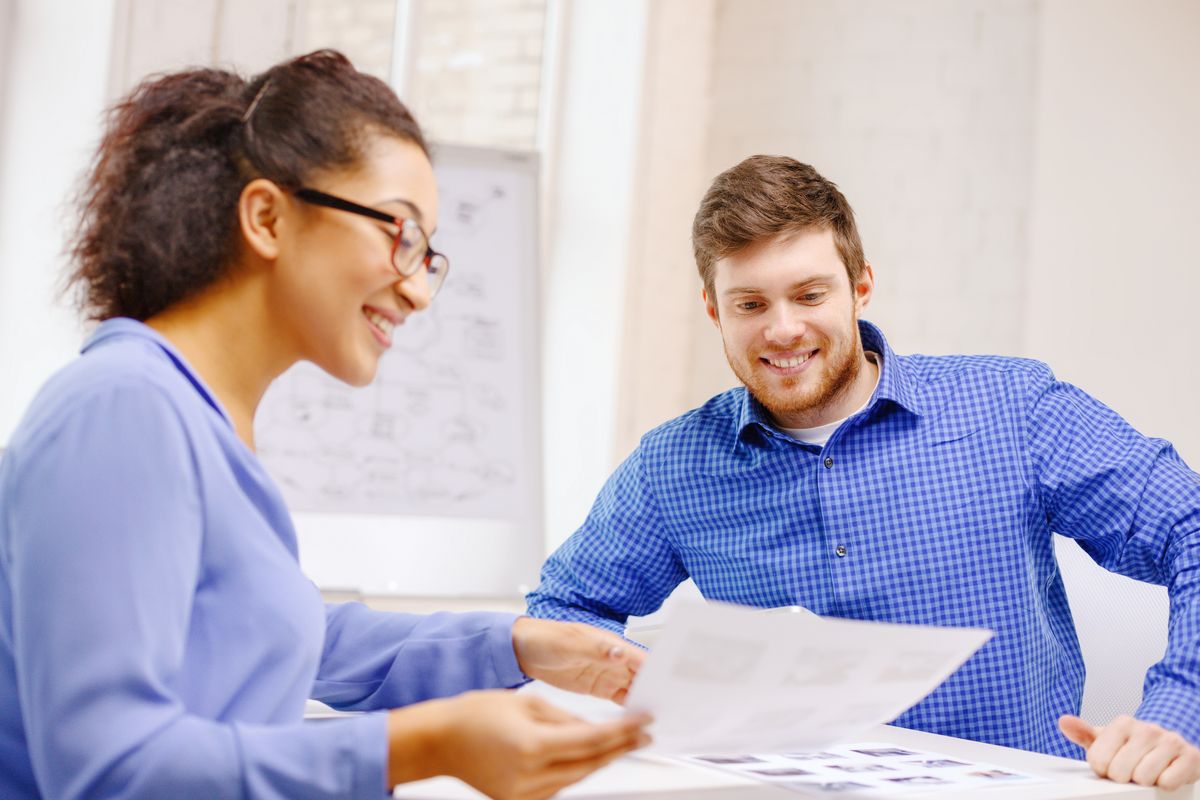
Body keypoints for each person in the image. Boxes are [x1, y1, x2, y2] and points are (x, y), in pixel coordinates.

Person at [0, 50, 651, 800]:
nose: (418, 290)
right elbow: (112, 769)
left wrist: (519, 644)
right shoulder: (122, 413)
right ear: (268, 217)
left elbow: (294, 635)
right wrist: (422, 744)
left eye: (427, 253)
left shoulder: (195, 419)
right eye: (399, 233)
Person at [526, 155, 1200, 790]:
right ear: (714, 310)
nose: (783, 329)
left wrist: (1181, 703)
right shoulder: (672, 466)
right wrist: (664, 693)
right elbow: (564, 612)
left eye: (810, 294)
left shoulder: (1012, 408)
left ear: (861, 288)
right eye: (750, 304)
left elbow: (1189, 526)